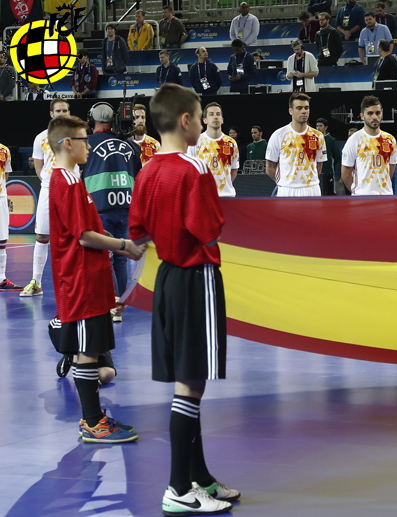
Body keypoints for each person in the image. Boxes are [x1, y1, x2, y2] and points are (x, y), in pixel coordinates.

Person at [128, 82, 238, 516]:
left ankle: (199, 476)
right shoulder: (194, 170)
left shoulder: (148, 170)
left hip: (167, 278)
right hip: (197, 277)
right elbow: (210, 229)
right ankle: (177, 488)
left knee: (188, 381)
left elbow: (138, 234)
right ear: (188, 120)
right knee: (191, 385)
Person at [47, 115, 144, 443]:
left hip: (90, 278)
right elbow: (85, 236)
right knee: (88, 352)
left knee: (90, 350)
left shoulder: (74, 179)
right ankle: (92, 422)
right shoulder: (66, 181)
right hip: (81, 279)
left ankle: (95, 418)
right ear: (67, 144)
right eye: (84, 140)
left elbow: (90, 226)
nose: (89, 145)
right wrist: (123, 245)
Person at [82, 103, 141, 321]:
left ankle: (105, 302)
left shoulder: (85, 144)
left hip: (99, 208)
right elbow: (137, 175)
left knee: (102, 257)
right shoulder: (130, 146)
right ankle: (120, 304)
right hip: (126, 207)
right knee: (122, 258)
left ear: (92, 119)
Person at [20, 99, 72, 298]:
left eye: (65, 110)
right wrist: (49, 182)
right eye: (58, 110)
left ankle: (73, 282)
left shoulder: (77, 135)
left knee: (75, 236)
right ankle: (36, 282)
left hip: (71, 190)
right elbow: (40, 168)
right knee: (42, 235)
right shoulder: (41, 138)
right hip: (49, 189)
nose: (62, 113)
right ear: (51, 114)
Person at [265, 93, 327, 197]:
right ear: (291, 111)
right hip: (287, 190)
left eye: (306, 108)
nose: (304, 111)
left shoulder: (318, 136)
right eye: (299, 108)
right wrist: (285, 183)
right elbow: (270, 168)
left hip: (312, 189)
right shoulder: (279, 135)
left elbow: (318, 167)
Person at [341, 95, 397, 195]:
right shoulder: (354, 140)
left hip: (386, 196)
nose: (375, 117)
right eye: (370, 113)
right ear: (362, 116)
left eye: (378, 113)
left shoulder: (390, 139)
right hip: (362, 198)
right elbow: (345, 175)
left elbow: (390, 171)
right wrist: (358, 192)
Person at [188, 102, 239, 197]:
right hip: (202, 196)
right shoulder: (194, 141)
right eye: (211, 114)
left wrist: (223, 185)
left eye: (218, 114)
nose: (215, 117)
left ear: (222, 120)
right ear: (205, 120)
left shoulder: (231, 143)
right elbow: (189, 170)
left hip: (226, 196)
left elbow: (234, 170)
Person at [0, 141, 22, 291]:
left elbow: (5, 176)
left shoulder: (4, 150)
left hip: (0, 197)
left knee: (2, 238)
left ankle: (1, 278)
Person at [315, 118, 340, 195]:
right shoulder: (312, 139)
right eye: (317, 126)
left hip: (327, 172)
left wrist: (330, 166)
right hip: (315, 173)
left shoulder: (331, 140)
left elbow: (337, 157)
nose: (318, 128)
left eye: (320, 126)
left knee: (327, 194)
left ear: (326, 127)